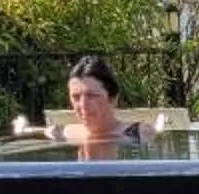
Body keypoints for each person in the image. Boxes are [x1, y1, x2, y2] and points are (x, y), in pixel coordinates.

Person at [14, 57, 146, 148]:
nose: (83, 105)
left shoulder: (138, 133)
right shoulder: (60, 132)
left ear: (113, 99)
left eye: (92, 96)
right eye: (76, 97)